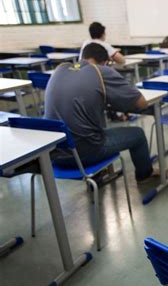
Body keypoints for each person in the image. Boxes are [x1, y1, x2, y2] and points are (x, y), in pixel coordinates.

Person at [44, 43, 160, 183]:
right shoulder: (100, 71)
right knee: (138, 134)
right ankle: (145, 175)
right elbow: (142, 103)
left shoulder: (60, 70)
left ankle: (100, 174)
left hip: (54, 154)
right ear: (105, 62)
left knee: (94, 126)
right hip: (83, 154)